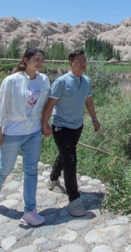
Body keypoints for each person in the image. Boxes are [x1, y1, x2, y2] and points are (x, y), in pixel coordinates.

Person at [0, 47, 50, 226]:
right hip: (13, 132)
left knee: (31, 170)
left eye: (42, 59)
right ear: (26, 60)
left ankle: (30, 210)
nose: (39, 63)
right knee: (5, 169)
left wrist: (45, 124)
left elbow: (45, 105)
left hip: (33, 131)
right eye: (36, 59)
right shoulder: (11, 81)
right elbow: (2, 107)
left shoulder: (44, 80)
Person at [41, 49, 100, 217]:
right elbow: (50, 104)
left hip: (77, 126)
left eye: (83, 61)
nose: (82, 64)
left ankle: (53, 178)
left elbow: (89, 100)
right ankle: (74, 200)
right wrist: (44, 124)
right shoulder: (61, 82)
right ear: (70, 63)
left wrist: (94, 119)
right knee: (71, 160)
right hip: (61, 127)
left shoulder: (86, 81)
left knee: (66, 154)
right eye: (78, 61)